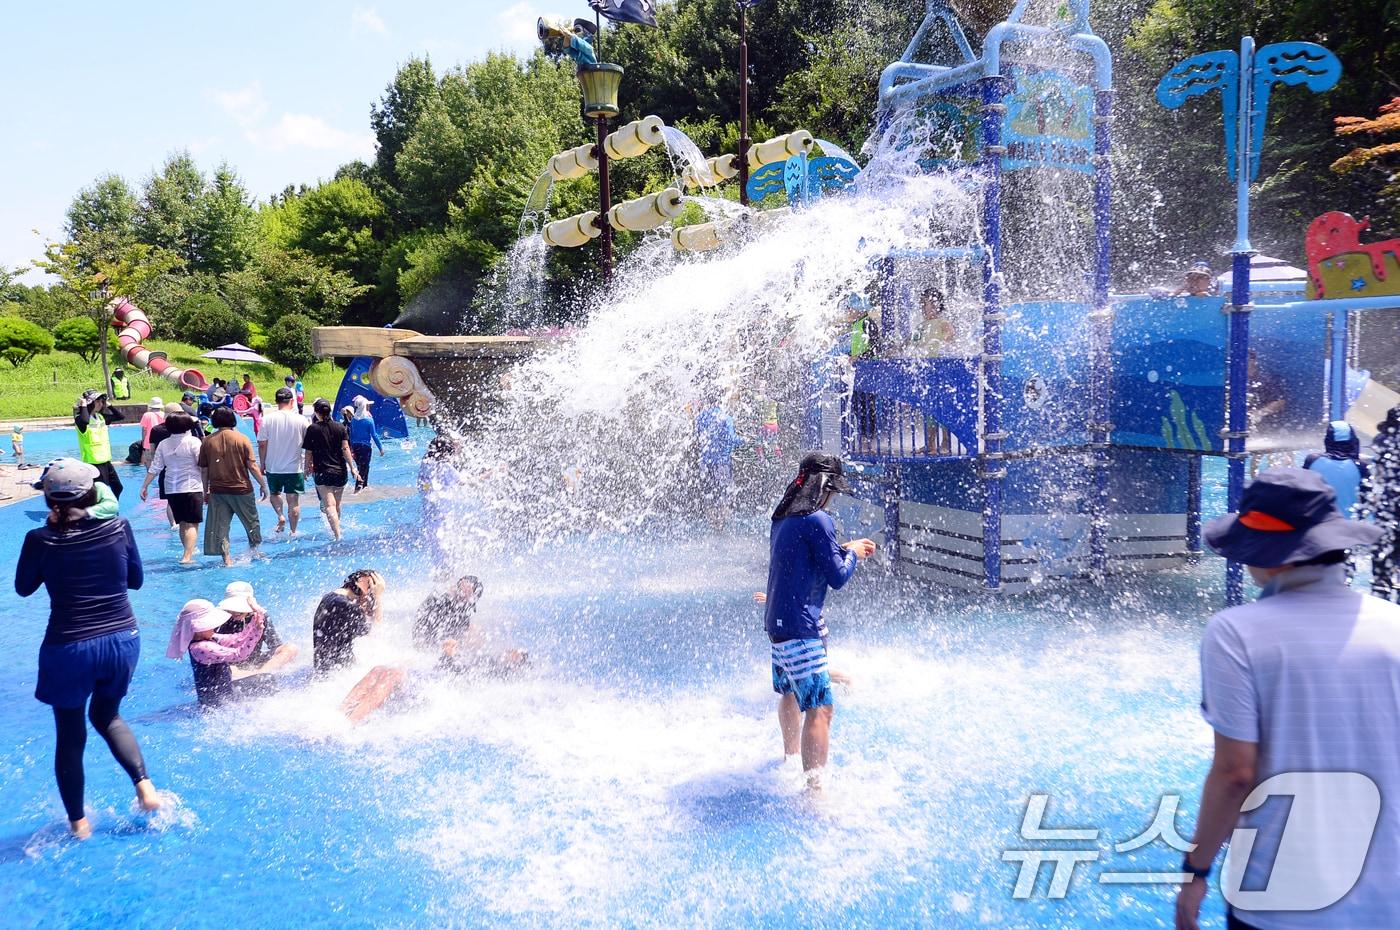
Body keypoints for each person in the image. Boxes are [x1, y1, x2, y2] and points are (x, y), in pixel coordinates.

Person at [1175, 468, 1397, 930]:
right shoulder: (1394, 624)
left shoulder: (1236, 632)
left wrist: (1196, 872)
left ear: (1272, 556)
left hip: (1282, 899)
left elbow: (1236, 774)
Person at [13, 459, 161, 838]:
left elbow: (24, 588)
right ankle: (144, 786)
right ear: (93, 493)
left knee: (70, 733)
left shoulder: (39, 539)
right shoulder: (118, 526)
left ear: (48, 500)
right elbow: (136, 580)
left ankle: (79, 824)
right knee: (108, 716)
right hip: (123, 640)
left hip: (69, 646)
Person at [763, 453, 876, 791]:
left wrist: (839, 547)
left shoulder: (782, 519)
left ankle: (790, 757)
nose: (833, 499)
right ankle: (815, 791)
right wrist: (853, 552)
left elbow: (802, 560)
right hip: (802, 628)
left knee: (790, 693)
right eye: (832, 492)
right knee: (821, 707)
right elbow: (838, 577)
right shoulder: (818, 520)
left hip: (777, 625)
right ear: (823, 487)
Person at [165, 599, 272, 708]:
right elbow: (240, 654)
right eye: (211, 624)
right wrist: (258, 631)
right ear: (199, 628)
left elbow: (237, 639)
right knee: (267, 685)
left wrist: (256, 621)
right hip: (217, 705)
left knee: (266, 679)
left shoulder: (210, 637)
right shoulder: (201, 648)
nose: (215, 627)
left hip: (227, 691)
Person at [197, 406, 268, 567]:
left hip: (218, 490)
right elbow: (252, 465)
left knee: (220, 526)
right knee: (251, 523)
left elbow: (204, 469)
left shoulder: (207, 441)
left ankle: (226, 559)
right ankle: (254, 550)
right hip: (242, 489)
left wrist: (205, 491)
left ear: (214, 422)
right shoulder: (242, 439)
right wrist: (263, 484)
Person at [141, 413, 204, 563]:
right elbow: (202, 465)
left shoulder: (163, 444)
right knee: (192, 523)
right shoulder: (193, 442)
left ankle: (187, 550)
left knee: (182, 522)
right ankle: (187, 556)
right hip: (191, 487)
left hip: (171, 488)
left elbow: (155, 467)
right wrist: (209, 484)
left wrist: (145, 486)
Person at [302, 398, 360, 541]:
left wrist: (306, 468)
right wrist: (353, 468)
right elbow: (345, 448)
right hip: (340, 471)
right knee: (337, 504)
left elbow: (308, 452)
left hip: (322, 472)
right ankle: (337, 527)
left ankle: (337, 534)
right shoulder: (340, 427)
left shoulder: (312, 429)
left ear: (316, 413)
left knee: (329, 504)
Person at [218, 580, 298, 677]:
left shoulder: (260, 617)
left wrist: (276, 661)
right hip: (233, 664)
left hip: (256, 662)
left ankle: (260, 674)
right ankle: (258, 675)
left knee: (291, 648)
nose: (235, 612)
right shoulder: (220, 620)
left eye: (239, 608)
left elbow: (275, 645)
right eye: (232, 608)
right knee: (225, 668)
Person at [312, 569, 383, 675]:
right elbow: (375, 634)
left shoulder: (329, 598)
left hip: (324, 671)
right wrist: (378, 597)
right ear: (360, 582)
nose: (370, 599)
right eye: (371, 588)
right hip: (338, 676)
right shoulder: (349, 607)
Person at [258, 387, 309, 534]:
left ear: (276, 402)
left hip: (273, 467)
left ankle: (280, 516)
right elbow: (309, 444)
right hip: (294, 468)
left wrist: (262, 463)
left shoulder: (267, 419)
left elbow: (262, 444)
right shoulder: (301, 420)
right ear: (292, 401)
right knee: (293, 501)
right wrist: (309, 463)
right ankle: (293, 531)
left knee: (274, 494)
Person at [1303, 420, 1369, 518]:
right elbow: (1367, 501)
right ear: (1353, 441)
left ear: (1327, 441)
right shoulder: (1361, 466)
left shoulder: (1312, 460)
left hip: (1318, 524)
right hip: (1350, 526)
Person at [694, 398, 741, 530]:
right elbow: (731, 439)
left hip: (705, 461)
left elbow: (698, 437)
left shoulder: (700, 417)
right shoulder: (725, 417)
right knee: (722, 490)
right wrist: (745, 441)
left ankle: (712, 521)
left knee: (709, 489)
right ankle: (721, 523)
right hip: (722, 462)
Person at [74, 389, 126, 498]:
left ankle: (110, 506)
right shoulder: (80, 419)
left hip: (105, 460)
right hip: (93, 462)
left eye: (101, 401)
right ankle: (98, 511)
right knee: (100, 492)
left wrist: (109, 405)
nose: (100, 403)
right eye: (97, 401)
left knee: (118, 487)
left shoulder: (100, 417)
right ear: (89, 403)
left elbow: (120, 416)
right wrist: (83, 405)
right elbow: (84, 421)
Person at [1371, 405, 1400, 602]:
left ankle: (1381, 592)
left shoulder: (1381, 440)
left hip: (1388, 504)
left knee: (1383, 552)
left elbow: (1379, 474)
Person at [347, 395, 384, 492]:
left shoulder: (354, 420)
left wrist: (351, 447)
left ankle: (365, 486)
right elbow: (374, 435)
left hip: (355, 446)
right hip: (365, 447)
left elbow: (351, 435)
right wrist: (380, 448)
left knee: (362, 466)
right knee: (364, 467)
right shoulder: (369, 420)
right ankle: (358, 487)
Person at [906, 287, 956, 356]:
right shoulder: (920, 326)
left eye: (924, 303)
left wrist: (944, 343)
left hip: (934, 362)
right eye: (921, 304)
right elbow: (907, 344)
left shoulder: (942, 323)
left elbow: (951, 336)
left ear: (934, 305)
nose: (921, 307)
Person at [138, 397, 165, 466]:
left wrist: (143, 442)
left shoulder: (146, 415)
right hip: (162, 443)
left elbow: (144, 430)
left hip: (148, 443)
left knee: (149, 466)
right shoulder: (164, 415)